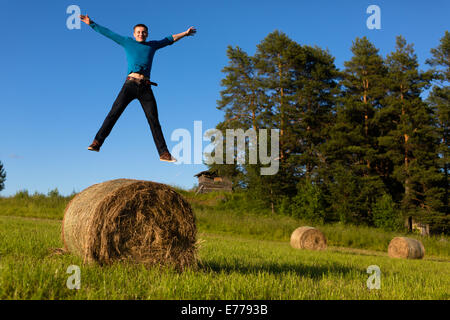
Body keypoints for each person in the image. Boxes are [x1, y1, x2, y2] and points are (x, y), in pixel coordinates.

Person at [80, 14, 196, 162]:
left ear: (147, 34)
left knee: (153, 119)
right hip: (129, 85)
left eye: (144, 32)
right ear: (134, 34)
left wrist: (185, 34)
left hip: (145, 87)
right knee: (114, 113)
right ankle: (97, 142)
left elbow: (169, 39)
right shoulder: (127, 42)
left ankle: (164, 153)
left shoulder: (152, 45)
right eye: (138, 32)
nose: (141, 34)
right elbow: (109, 33)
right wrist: (92, 23)